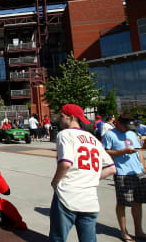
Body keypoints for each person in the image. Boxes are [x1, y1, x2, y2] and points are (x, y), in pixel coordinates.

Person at [49, 104, 116, 242]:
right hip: (90, 199)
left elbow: (66, 163)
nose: (60, 119)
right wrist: (92, 178)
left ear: (71, 117)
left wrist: (55, 181)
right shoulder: (93, 139)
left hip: (67, 195)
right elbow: (111, 168)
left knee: (58, 238)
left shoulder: (65, 134)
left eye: (62, 116)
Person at [102, 114, 146, 242]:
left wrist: (143, 167)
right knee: (122, 203)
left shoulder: (132, 134)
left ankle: (138, 230)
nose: (128, 129)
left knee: (138, 202)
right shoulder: (110, 135)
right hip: (122, 172)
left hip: (138, 172)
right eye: (126, 126)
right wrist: (123, 152)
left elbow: (138, 151)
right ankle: (124, 231)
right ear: (119, 124)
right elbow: (106, 152)